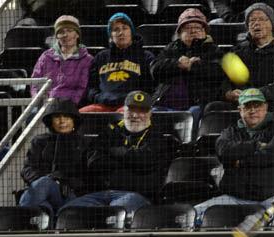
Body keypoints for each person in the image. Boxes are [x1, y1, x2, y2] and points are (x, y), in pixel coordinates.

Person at [62, 91, 171, 221]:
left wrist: (116, 153)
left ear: (150, 113)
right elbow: (94, 162)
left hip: (137, 194)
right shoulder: (110, 132)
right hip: (100, 194)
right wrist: (131, 160)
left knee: (114, 212)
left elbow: (147, 161)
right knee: (67, 212)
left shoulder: (158, 136)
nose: (135, 115)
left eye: (142, 111)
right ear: (123, 111)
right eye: (131, 110)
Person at [195, 88, 274, 221]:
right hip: (235, 199)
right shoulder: (230, 132)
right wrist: (255, 146)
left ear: (265, 107)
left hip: (273, 198)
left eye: (257, 106)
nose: (253, 111)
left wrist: (241, 161)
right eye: (247, 107)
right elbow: (224, 152)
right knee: (196, 213)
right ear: (240, 110)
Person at [207, 3, 274, 111]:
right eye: (252, 20)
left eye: (262, 19)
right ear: (247, 26)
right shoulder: (238, 50)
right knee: (213, 108)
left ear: (272, 24)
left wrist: (252, 94)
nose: (257, 23)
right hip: (241, 103)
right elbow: (225, 78)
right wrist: (228, 93)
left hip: (269, 103)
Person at [19, 98, 90, 216]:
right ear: (51, 121)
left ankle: (19, 218)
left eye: (66, 117)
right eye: (57, 117)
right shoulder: (39, 141)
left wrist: (65, 182)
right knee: (44, 206)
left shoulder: (84, 143)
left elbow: (89, 175)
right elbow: (27, 169)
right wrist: (50, 179)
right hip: (42, 190)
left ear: (74, 121)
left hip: (73, 194)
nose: (62, 121)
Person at [150, 8, 223, 121]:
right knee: (153, 113)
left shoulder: (213, 50)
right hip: (163, 104)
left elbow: (218, 72)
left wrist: (194, 67)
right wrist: (177, 64)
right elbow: (155, 69)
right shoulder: (170, 49)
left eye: (197, 28)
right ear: (179, 33)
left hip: (196, 106)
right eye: (188, 28)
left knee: (194, 113)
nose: (193, 31)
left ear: (205, 32)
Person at [80, 13, 155, 113]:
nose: (121, 33)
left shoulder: (146, 56)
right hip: (103, 104)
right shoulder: (101, 57)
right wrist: (99, 98)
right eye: (116, 30)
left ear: (131, 32)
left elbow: (150, 87)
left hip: (131, 105)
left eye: (125, 28)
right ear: (111, 35)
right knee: (80, 116)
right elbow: (91, 87)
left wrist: (135, 100)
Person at [30, 15, 93, 106]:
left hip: (72, 107)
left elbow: (83, 88)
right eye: (61, 32)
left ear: (77, 34)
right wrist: (39, 101)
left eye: (70, 31)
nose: (65, 35)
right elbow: (35, 82)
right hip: (46, 105)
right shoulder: (46, 57)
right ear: (57, 36)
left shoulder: (87, 60)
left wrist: (68, 105)